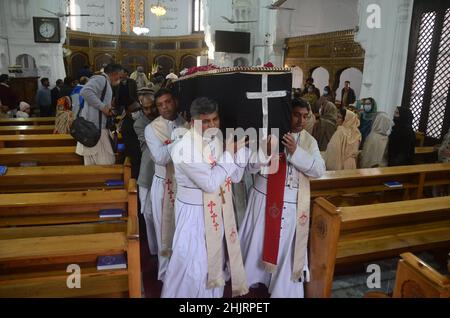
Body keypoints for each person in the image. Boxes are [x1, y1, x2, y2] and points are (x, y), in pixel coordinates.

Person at [161, 97, 248, 298]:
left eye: (215, 120)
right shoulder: (184, 148)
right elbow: (210, 182)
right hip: (192, 213)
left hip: (214, 209)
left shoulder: (216, 140)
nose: (212, 125)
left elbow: (234, 177)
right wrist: (229, 154)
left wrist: (240, 153)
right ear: (193, 122)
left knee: (213, 259)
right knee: (191, 263)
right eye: (205, 121)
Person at [239, 97, 325, 298]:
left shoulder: (309, 141)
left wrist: (296, 152)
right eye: (296, 115)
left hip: (292, 202)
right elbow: (250, 167)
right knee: (257, 243)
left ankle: (280, 287)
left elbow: (319, 170)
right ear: (288, 114)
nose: (301, 121)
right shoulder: (268, 133)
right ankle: (253, 278)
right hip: (264, 198)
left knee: (285, 250)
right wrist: (265, 152)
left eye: (305, 116)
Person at [144, 88, 189, 282]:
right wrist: (182, 138)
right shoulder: (152, 128)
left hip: (183, 183)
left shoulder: (186, 122)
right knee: (164, 229)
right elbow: (160, 157)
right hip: (163, 184)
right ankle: (165, 274)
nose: (164, 107)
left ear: (175, 102)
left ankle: (181, 270)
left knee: (181, 229)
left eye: (168, 102)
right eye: (160, 105)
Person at [76, 63, 123, 166]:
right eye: (120, 77)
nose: (120, 80)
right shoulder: (101, 79)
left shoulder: (105, 82)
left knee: (92, 165)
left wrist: (108, 109)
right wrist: (103, 107)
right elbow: (85, 91)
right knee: (107, 164)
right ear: (115, 73)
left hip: (95, 128)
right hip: (95, 129)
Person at [134, 94, 159, 256]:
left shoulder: (166, 119)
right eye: (146, 108)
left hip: (165, 174)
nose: (149, 111)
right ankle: (153, 251)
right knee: (148, 214)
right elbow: (152, 144)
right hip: (148, 172)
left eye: (152, 107)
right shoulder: (139, 123)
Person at [121, 101, 142, 179]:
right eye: (134, 110)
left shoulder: (140, 121)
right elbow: (132, 148)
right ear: (127, 112)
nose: (137, 112)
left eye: (139, 109)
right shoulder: (127, 125)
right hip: (134, 159)